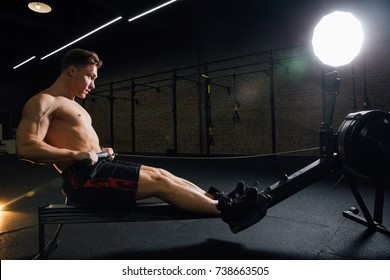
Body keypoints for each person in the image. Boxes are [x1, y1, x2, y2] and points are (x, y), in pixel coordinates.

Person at [16, 48, 269, 234]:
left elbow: (78, 144)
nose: (93, 84)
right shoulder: (44, 101)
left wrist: (98, 150)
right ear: (72, 71)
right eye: (90, 76)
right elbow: (26, 147)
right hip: (83, 180)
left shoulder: (70, 104)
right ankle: (232, 213)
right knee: (160, 183)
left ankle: (221, 200)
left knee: (162, 173)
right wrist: (75, 155)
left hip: (98, 167)